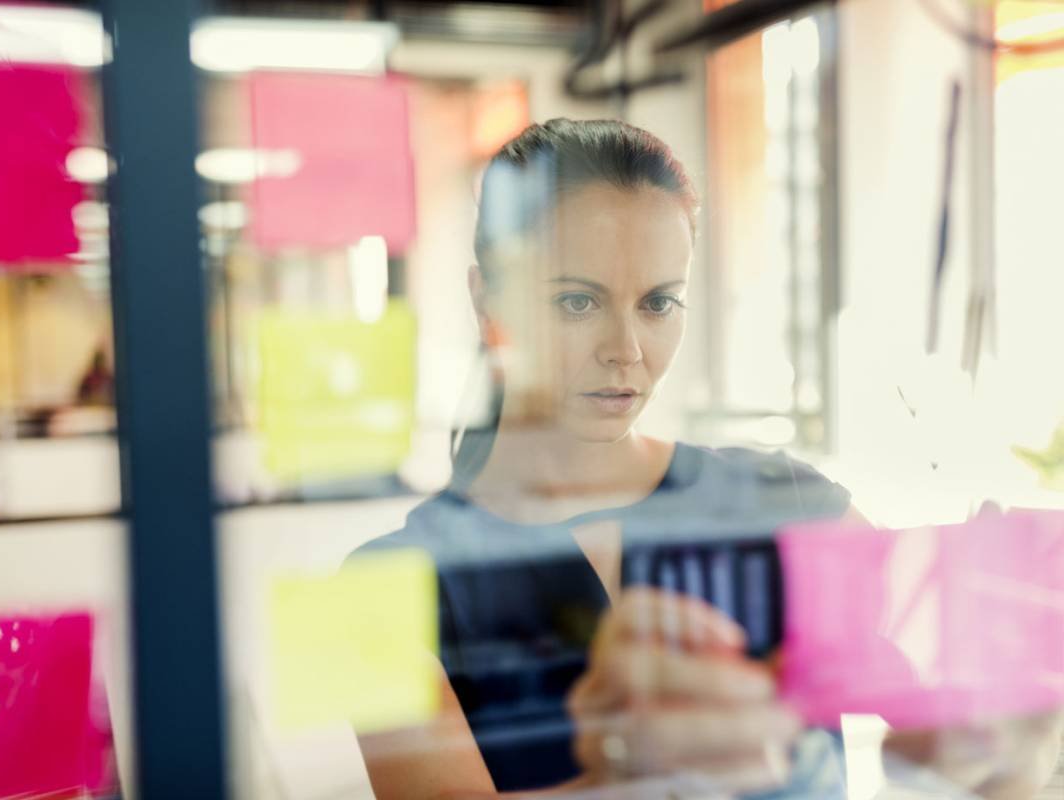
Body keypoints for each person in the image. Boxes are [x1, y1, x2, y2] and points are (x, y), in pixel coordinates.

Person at [351, 119, 1062, 798]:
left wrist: (1005, 732)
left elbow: (939, 730)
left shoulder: (792, 502)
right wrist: (636, 780)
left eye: (659, 303)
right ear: (487, 300)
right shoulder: (376, 587)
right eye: (576, 302)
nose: (626, 350)